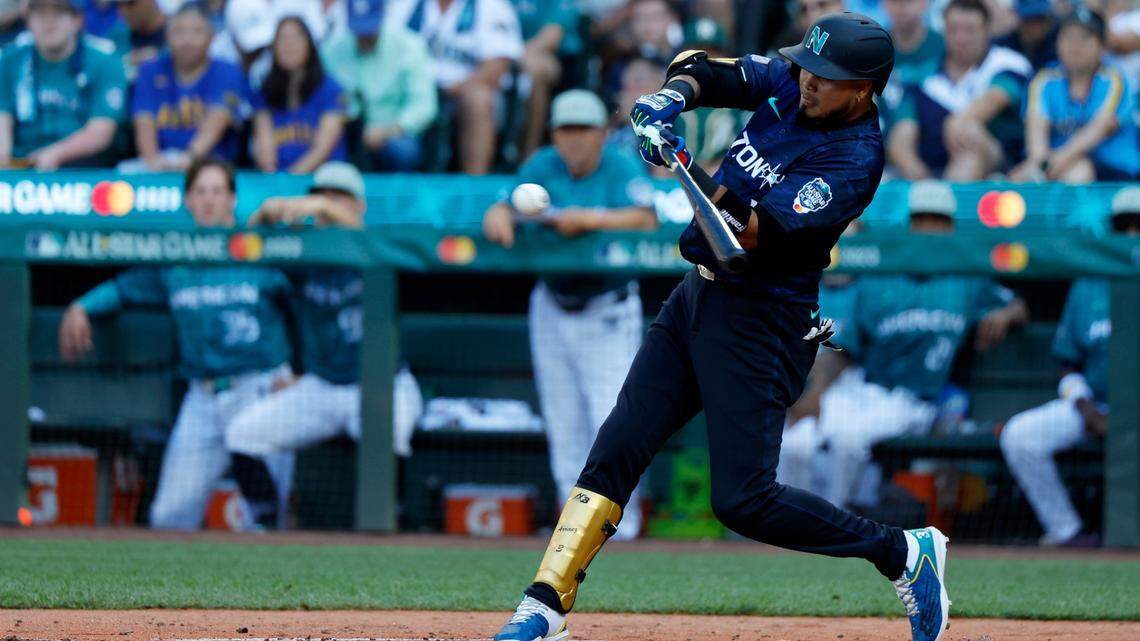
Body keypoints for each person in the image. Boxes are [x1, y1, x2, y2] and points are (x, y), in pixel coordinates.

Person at [493, 13, 952, 641]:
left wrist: (679, 157)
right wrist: (668, 101)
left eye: (827, 77)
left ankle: (901, 551)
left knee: (743, 501)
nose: (809, 82)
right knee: (618, 444)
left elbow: (749, 230)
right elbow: (706, 71)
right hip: (696, 299)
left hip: (763, 321)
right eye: (808, 69)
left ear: (864, 89)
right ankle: (543, 606)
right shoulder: (796, 82)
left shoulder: (854, 158)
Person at [57, 158, 296, 531]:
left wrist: (297, 372)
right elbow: (124, 287)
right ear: (187, 200)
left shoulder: (257, 248)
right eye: (200, 192)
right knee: (169, 517)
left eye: (217, 191)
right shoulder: (176, 257)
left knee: (266, 518)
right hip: (203, 397)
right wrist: (81, 306)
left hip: (262, 389)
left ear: (233, 199)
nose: (209, 200)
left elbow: (304, 304)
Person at [780, 180, 1029, 510]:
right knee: (796, 442)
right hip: (864, 388)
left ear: (950, 227)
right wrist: (815, 394)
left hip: (917, 399)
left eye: (938, 220)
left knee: (848, 440)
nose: (928, 228)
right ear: (910, 224)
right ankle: (787, 522)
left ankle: (830, 520)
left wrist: (1006, 314)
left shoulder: (967, 278)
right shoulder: (881, 273)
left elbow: (1020, 307)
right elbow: (844, 348)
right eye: (921, 219)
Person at [482, 89, 657, 544]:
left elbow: (646, 218)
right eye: (566, 130)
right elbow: (504, 203)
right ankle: (572, 534)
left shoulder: (618, 165)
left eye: (583, 130)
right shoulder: (542, 165)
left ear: (602, 133)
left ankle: (623, 528)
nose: (574, 140)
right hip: (552, 304)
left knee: (611, 421)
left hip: (608, 308)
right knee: (563, 424)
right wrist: (500, 212)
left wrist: (590, 218)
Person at [227, 161, 424, 528]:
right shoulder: (303, 251)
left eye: (338, 198)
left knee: (392, 431)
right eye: (320, 197)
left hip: (381, 384)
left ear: (358, 205)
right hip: (320, 387)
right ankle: (267, 525)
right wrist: (263, 216)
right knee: (243, 433)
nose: (325, 205)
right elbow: (242, 249)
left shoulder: (375, 237)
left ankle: (392, 528)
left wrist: (325, 207)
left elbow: (371, 242)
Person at [999, 186, 1140, 548]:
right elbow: (1067, 362)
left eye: (1138, 226)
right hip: (1095, 406)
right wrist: (1086, 408)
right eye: (1123, 226)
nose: (1130, 235)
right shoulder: (1089, 283)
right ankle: (1067, 532)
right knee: (1021, 434)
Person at [887, 0, 1031, 181]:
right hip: (931, 171)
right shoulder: (924, 76)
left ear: (987, 30)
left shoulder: (1008, 64)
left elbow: (988, 103)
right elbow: (902, 132)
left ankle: (949, 202)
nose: (961, 38)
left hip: (1000, 167)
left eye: (970, 30)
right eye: (954, 29)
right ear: (943, 30)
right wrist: (914, 170)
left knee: (968, 138)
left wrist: (957, 123)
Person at [387, 0, 524, 174]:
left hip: (461, 93)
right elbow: (385, 53)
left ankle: (475, 183)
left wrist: (455, 88)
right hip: (412, 91)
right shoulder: (404, 5)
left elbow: (496, 68)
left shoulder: (492, 5)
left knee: (478, 99)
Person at [1011, 8, 1138, 183]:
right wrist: (1039, 164)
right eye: (1068, 37)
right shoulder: (1044, 79)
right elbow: (1036, 131)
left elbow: (1099, 129)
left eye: (1085, 37)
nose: (1075, 45)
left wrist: (1048, 165)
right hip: (1051, 169)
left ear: (1102, 45)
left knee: (1078, 171)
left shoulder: (1114, 79)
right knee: (1012, 181)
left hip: (1111, 174)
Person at [0, 0, 128, 170]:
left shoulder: (105, 62)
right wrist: (3, 160)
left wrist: (54, 154)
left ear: (77, 20)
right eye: (40, 13)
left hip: (84, 171)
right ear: (28, 19)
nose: (48, 21)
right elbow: (2, 118)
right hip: (20, 166)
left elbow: (100, 132)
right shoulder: (10, 59)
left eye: (59, 12)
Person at [124, 2, 247, 172]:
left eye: (197, 31)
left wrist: (189, 158)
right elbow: (143, 120)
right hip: (159, 164)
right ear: (167, 36)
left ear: (212, 37)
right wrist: (152, 162)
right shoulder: (150, 70)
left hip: (212, 166)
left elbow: (218, 117)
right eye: (179, 31)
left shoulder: (227, 71)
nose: (187, 40)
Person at [321, 0, 438, 172]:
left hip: (394, 131)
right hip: (344, 130)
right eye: (359, 30)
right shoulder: (333, 49)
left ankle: (400, 195)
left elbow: (424, 106)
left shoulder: (409, 46)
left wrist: (390, 130)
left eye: (370, 29)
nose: (364, 36)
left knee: (403, 151)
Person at [252, 16, 348, 174]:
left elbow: (323, 149)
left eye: (296, 37)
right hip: (277, 182)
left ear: (310, 44)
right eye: (282, 38)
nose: (288, 44)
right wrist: (274, 178)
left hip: (322, 181)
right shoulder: (264, 91)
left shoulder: (332, 89)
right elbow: (265, 149)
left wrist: (291, 181)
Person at [993, 0, 1059, 71]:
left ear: (1047, 22)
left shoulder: (1058, 47)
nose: (1031, 27)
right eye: (1026, 20)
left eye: (1037, 20)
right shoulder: (1002, 45)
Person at [106, 0, 167, 73]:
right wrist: (127, 61)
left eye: (130, 3)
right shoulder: (117, 34)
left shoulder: (178, 31)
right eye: (118, 5)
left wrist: (158, 59)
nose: (123, 12)